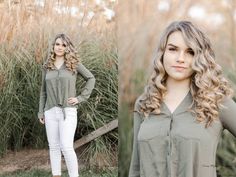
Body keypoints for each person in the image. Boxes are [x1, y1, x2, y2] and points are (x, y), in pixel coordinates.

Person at [128, 21, 236, 177]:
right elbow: (136, 167)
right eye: (173, 49)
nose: (180, 58)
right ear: (162, 53)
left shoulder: (216, 101)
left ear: (200, 57)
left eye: (190, 52)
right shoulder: (145, 103)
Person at [38, 33, 95, 177]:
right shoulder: (47, 66)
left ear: (67, 47)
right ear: (53, 46)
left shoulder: (73, 64)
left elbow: (90, 78)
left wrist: (80, 98)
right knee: (54, 147)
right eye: (57, 44)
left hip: (68, 111)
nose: (60, 47)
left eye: (63, 45)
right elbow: (43, 92)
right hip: (50, 111)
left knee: (66, 146)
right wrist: (41, 112)